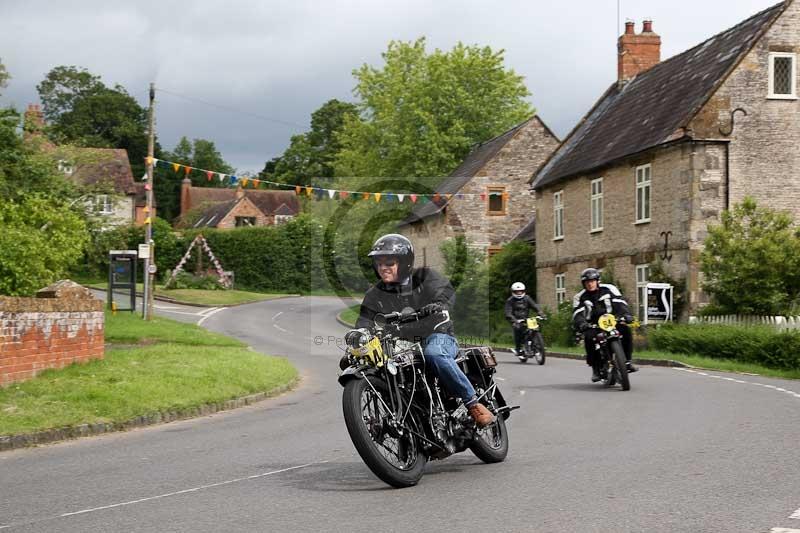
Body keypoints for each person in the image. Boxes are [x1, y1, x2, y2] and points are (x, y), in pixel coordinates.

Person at [355, 233, 495, 428]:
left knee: (434, 354)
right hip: (402, 344)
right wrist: (359, 336)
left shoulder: (424, 277)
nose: (383, 268)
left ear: (404, 263)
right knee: (381, 367)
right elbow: (365, 319)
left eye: (389, 263)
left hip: (437, 335)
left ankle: (473, 404)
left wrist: (439, 304)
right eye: (379, 263)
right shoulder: (374, 293)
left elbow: (444, 291)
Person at [572, 268, 638, 382]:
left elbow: (620, 302)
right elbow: (577, 313)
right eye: (587, 282)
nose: (590, 284)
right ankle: (595, 368)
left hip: (612, 321)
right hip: (593, 325)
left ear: (597, 281)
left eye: (592, 281)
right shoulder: (579, 297)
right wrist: (582, 323)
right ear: (583, 284)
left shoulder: (609, 289)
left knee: (626, 330)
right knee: (588, 338)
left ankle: (627, 362)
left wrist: (626, 315)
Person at [504, 282, 543, 360]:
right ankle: (518, 349)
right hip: (516, 320)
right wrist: (513, 319)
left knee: (536, 326)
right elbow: (508, 312)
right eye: (517, 291)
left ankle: (537, 344)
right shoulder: (510, 300)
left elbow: (534, 306)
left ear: (523, 291)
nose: (519, 293)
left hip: (526, 319)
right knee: (517, 329)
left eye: (521, 291)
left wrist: (540, 313)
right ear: (513, 292)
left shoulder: (527, 298)